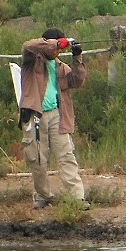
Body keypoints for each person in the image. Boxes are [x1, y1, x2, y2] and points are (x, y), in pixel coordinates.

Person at [19, 29, 90, 210]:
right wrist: (57, 43)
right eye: (54, 46)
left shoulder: (60, 67)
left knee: (66, 155)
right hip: (36, 115)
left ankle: (77, 198)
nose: (57, 51)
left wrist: (77, 57)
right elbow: (29, 45)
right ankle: (44, 195)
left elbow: (77, 80)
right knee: (37, 159)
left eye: (59, 47)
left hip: (57, 115)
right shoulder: (31, 58)